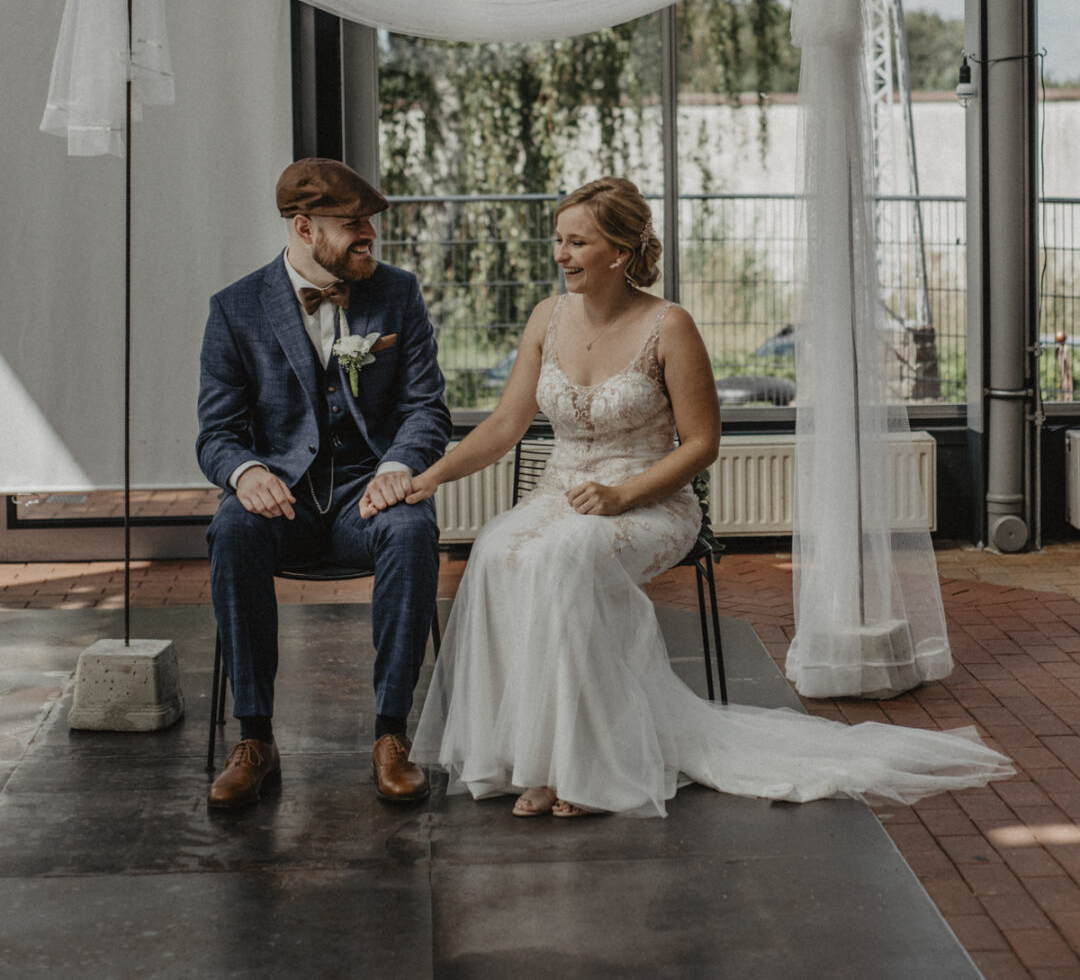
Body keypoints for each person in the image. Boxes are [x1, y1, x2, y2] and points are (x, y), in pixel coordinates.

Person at [364, 176, 1013, 818]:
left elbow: (701, 444)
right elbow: (505, 425)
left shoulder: (669, 326)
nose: (561, 255)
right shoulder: (546, 317)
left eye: (577, 243)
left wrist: (621, 496)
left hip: (651, 498)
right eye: (558, 241)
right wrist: (426, 479)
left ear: (619, 251)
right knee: (499, 551)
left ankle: (585, 768)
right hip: (560, 489)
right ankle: (533, 757)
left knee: (564, 560)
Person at [198, 157, 451, 809]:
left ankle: (391, 734)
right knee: (230, 526)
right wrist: (246, 470)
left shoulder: (398, 293)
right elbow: (215, 434)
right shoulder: (234, 309)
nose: (369, 233)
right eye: (352, 224)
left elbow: (428, 408)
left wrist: (399, 467)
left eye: (370, 222)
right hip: (281, 502)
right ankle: (255, 737)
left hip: (366, 498)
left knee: (413, 524)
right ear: (304, 227)